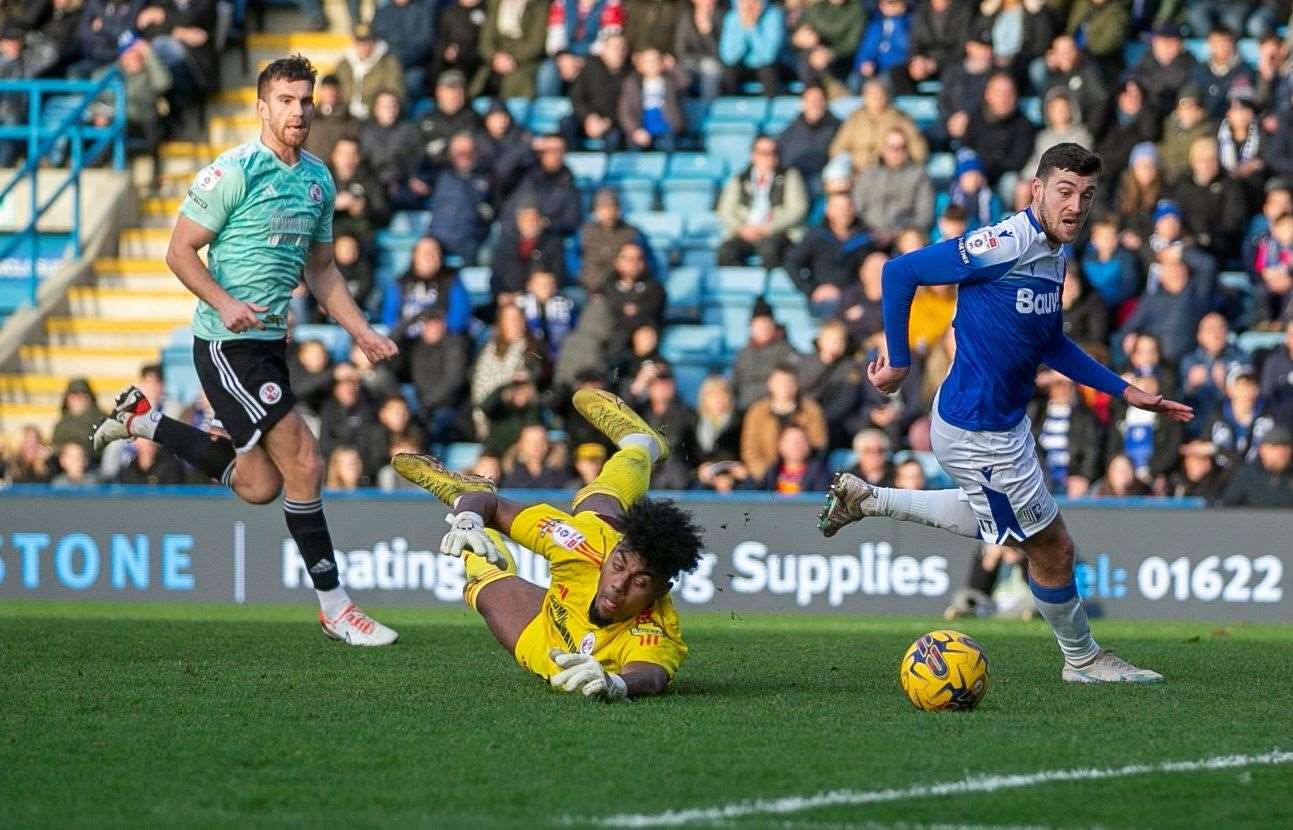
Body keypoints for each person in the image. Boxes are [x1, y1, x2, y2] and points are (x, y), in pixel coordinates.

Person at [819, 143, 1194, 683]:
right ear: (1036, 189)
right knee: (1052, 545)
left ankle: (869, 499)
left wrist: (1122, 389)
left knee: (1004, 524)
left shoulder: (1054, 254)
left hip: (1004, 424)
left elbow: (1050, 341)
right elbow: (900, 272)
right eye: (1065, 191)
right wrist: (898, 363)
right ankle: (1083, 660)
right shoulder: (1003, 243)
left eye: (1086, 196)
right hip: (978, 429)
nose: (1075, 206)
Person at [92, 57, 398, 646]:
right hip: (228, 343)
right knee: (306, 460)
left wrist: (360, 330)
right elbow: (179, 252)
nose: (298, 110)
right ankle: (336, 607)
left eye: (305, 100)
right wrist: (225, 300)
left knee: (260, 486)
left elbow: (324, 269)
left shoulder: (317, 178)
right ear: (261, 107)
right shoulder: (233, 171)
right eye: (285, 99)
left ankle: (141, 419)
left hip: (267, 346)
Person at [392, 389, 704, 699]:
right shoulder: (585, 545)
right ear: (613, 552)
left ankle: (464, 498)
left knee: (483, 587)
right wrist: (469, 517)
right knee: (595, 505)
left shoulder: (653, 630)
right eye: (619, 565)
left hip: (547, 642)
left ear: (661, 590)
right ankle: (640, 444)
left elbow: (650, 677)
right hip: (585, 556)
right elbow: (494, 505)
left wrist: (618, 683)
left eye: (640, 581)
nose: (619, 584)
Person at [716, 136, 807, 268]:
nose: (770, 157)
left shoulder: (789, 176)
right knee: (726, 252)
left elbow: (798, 209)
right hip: (745, 231)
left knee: (769, 250)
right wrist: (741, 228)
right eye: (765, 153)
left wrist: (770, 228)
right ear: (754, 155)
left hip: (778, 232)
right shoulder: (739, 179)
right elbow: (725, 210)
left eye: (774, 152)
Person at [334, 24, 405, 120]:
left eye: (368, 41)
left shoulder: (388, 63)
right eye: (360, 41)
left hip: (374, 117)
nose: (363, 45)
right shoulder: (343, 65)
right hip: (345, 116)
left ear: (375, 41)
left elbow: (395, 92)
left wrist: (374, 109)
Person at [776, 82, 841, 182]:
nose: (815, 104)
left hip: (820, 180)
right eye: (811, 100)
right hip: (792, 178)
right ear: (803, 102)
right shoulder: (792, 129)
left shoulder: (837, 128)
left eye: (819, 100)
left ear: (826, 102)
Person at [718, 0, 783, 94]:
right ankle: (730, 107)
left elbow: (769, 56)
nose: (750, 5)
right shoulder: (732, 17)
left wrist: (752, 28)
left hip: (767, 66)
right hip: (742, 66)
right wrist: (744, 28)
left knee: (769, 72)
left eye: (755, 1)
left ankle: (770, 106)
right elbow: (728, 57)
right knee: (729, 74)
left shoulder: (774, 15)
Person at [1218, 425, 1293, 507]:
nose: (1282, 452)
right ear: (1262, 449)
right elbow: (1227, 508)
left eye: (1286, 447)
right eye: (1274, 446)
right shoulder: (1246, 476)